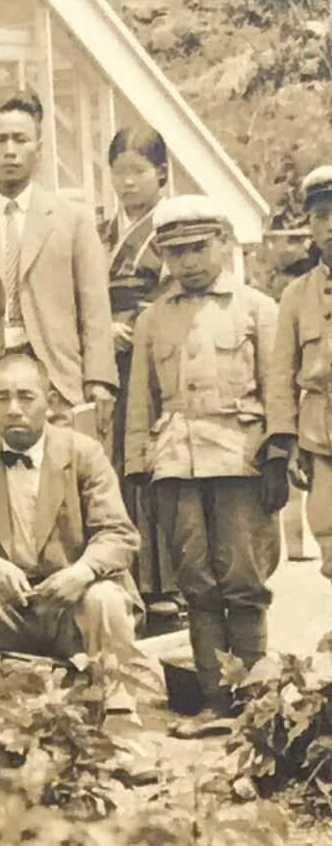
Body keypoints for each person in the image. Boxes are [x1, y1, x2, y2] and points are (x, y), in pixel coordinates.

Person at [0, 350, 161, 711]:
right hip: (8, 606)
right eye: (2, 398)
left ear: (50, 401)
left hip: (71, 608)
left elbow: (118, 534)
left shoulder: (83, 453)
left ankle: (118, 703)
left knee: (105, 595)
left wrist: (81, 572)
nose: (14, 408)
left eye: (26, 396)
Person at [125, 198, 288, 730]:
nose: (189, 262)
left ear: (223, 241)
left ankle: (255, 704)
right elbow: (140, 401)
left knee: (244, 579)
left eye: (198, 247)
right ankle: (215, 702)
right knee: (195, 581)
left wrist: (278, 458)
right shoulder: (152, 318)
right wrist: (137, 467)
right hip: (175, 462)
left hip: (242, 460)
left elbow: (278, 390)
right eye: (176, 253)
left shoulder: (258, 308)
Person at [0, 90, 117, 442]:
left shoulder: (73, 220)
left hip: (60, 384)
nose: (10, 150)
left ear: (39, 148)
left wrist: (99, 379)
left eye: (20, 139)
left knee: (64, 487)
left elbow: (94, 309)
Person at [101, 125, 177, 624]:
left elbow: (173, 295)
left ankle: (163, 581)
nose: (127, 184)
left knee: (149, 460)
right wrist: (102, 326)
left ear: (162, 175)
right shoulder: (100, 232)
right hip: (108, 355)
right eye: (118, 173)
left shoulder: (168, 231)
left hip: (153, 357)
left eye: (137, 172)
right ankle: (122, 573)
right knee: (110, 460)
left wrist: (140, 326)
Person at [266, 164, 332, 584]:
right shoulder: (296, 295)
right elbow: (280, 375)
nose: (331, 225)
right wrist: (286, 442)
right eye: (321, 216)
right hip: (321, 439)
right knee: (329, 537)